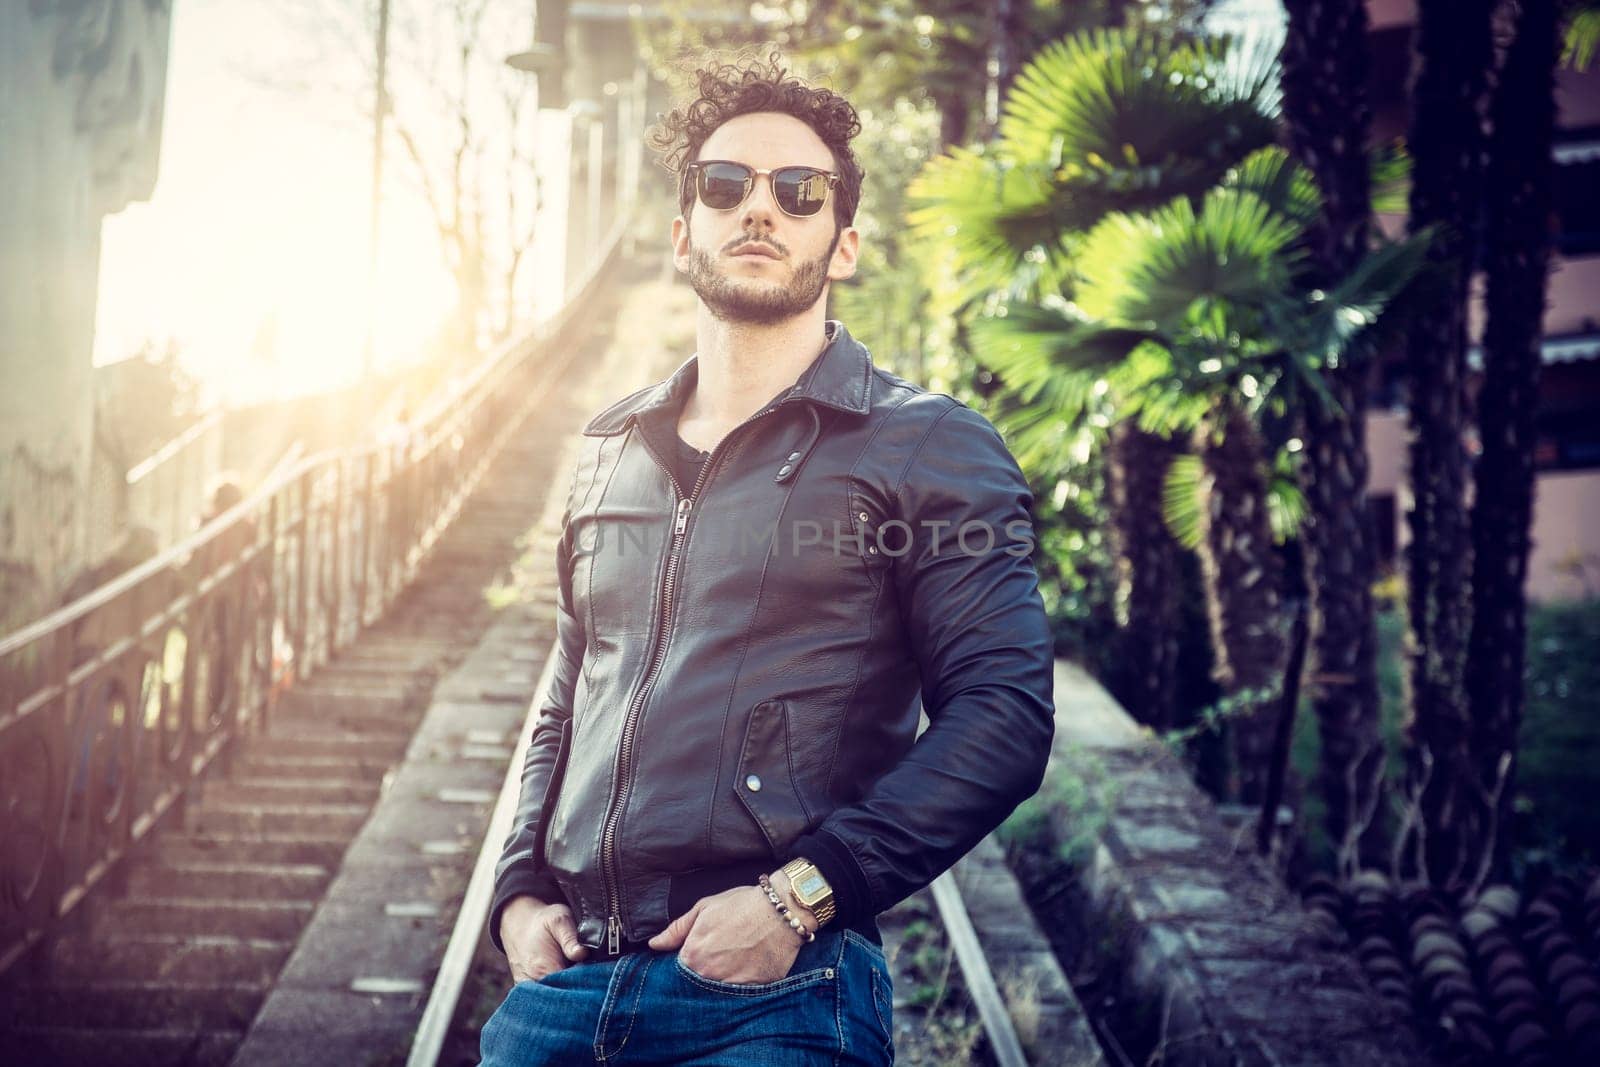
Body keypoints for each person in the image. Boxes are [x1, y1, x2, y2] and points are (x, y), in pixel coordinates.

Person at [480, 48, 1055, 1066]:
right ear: (681, 231)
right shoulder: (610, 447)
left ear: (842, 245)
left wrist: (802, 894)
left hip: (774, 994)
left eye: (799, 193)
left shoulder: (928, 446)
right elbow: (569, 693)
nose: (761, 210)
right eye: (725, 185)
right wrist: (517, 889)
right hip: (560, 993)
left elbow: (1003, 714)